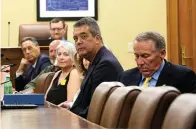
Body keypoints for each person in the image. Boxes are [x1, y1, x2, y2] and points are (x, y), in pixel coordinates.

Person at [70, 17, 123, 118]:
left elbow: (96, 109)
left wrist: (71, 119)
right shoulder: (95, 61)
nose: (78, 42)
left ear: (97, 39)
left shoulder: (106, 64)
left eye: (84, 36)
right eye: (75, 38)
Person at [118, 31, 196, 93]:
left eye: (145, 56)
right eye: (137, 56)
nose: (140, 62)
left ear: (162, 54)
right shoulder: (125, 77)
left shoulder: (183, 76)